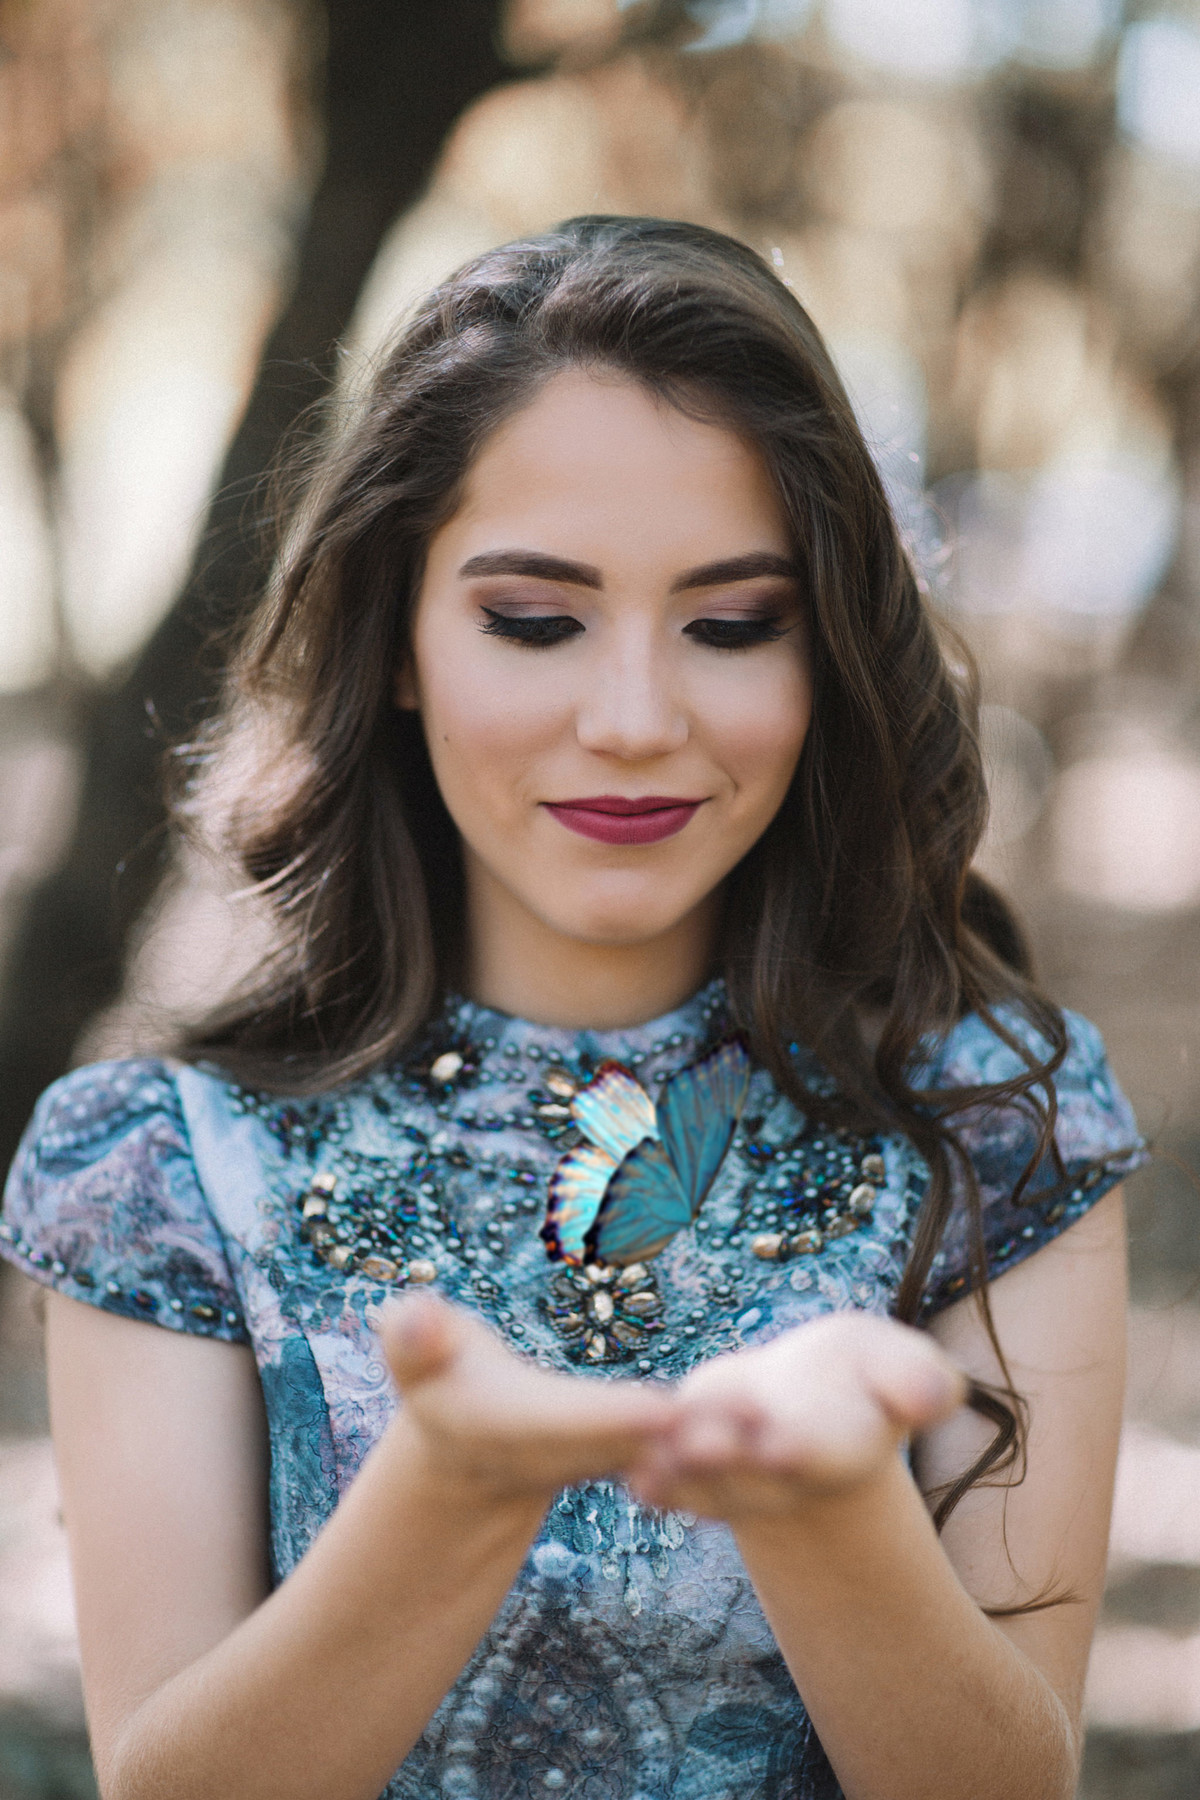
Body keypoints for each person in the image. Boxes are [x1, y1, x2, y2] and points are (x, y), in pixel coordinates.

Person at [1, 216, 1144, 1800]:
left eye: (735, 624)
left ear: (831, 655)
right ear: (395, 635)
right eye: (534, 621)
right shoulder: (163, 1164)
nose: (633, 720)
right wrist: (456, 1489)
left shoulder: (995, 1119)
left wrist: (824, 1505)